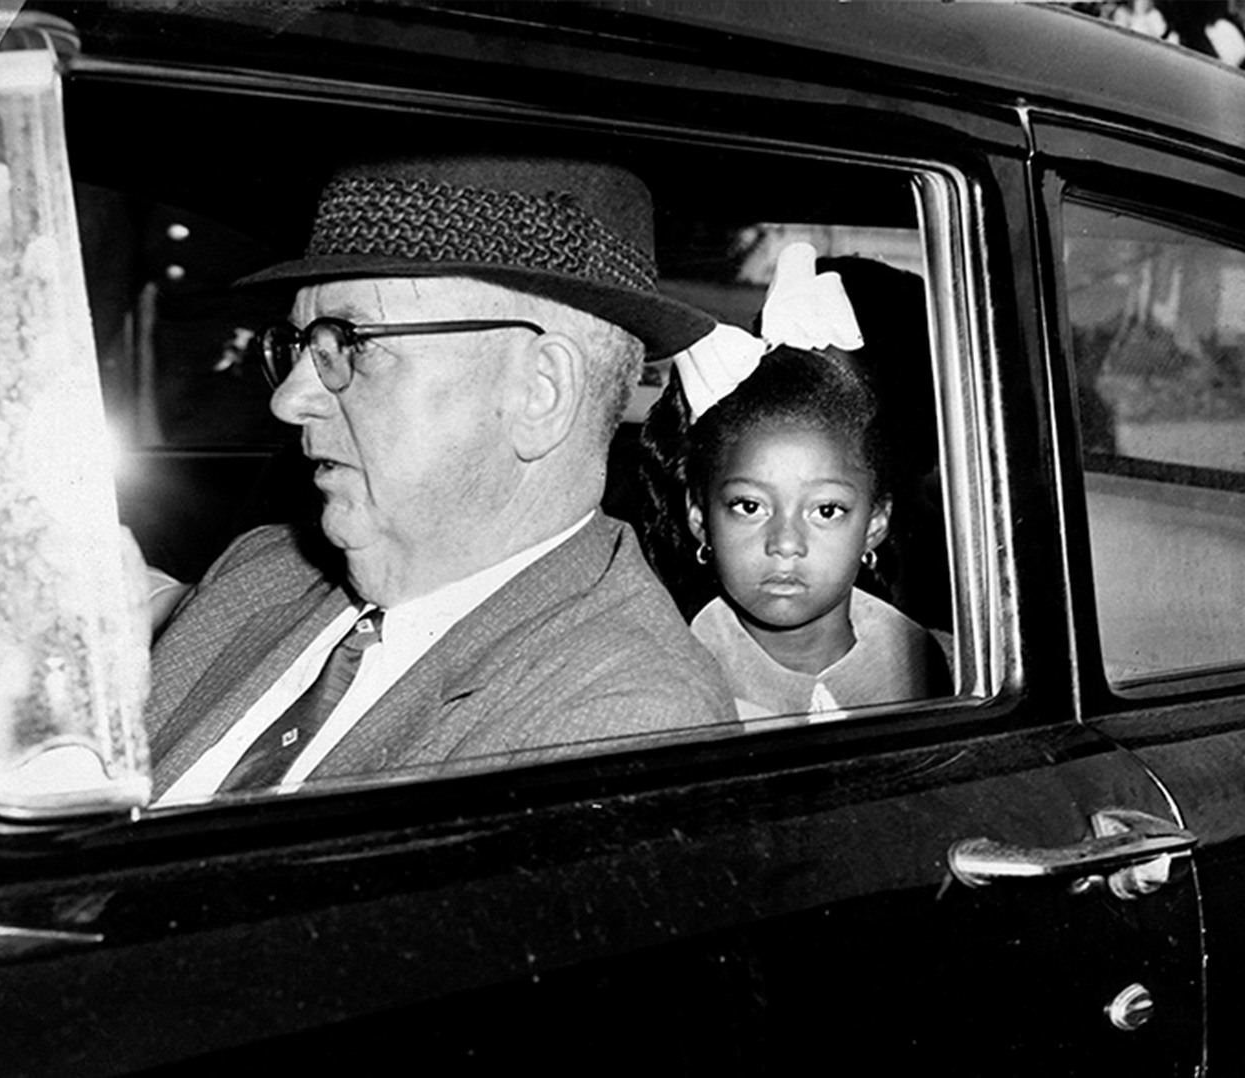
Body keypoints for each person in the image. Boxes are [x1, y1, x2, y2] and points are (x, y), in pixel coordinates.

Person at [146, 156, 736, 801]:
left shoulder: (625, 722)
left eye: (350, 344)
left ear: (540, 392)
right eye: (299, 346)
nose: (290, 400)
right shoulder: (262, 570)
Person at [638, 243, 950, 723]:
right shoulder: (670, 683)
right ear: (699, 517)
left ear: (875, 522)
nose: (785, 544)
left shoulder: (943, 665)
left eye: (826, 510)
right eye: (749, 506)